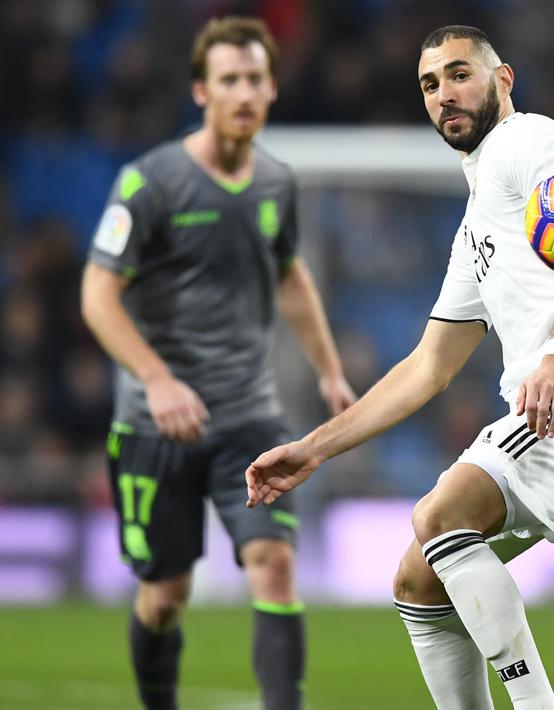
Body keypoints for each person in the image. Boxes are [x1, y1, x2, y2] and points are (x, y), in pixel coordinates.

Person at [244, 26, 554, 710]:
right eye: (430, 84)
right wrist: (314, 449)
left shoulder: (528, 141)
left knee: (438, 516)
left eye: (460, 74)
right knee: (418, 581)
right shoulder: (475, 225)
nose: (444, 94)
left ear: (504, 80)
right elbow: (429, 366)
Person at [80, 17, 356, 710]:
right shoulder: (150, 183)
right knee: (164, 597)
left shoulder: (276, 183)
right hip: (157, 422)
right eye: (229, 80)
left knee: (275, 564)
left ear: (272, 89)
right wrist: (156, 379)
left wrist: (328, 369)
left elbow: (290, 275)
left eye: (256, 79)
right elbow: (97, 295)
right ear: (201, 92)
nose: (245, 93)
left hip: (247, 414)